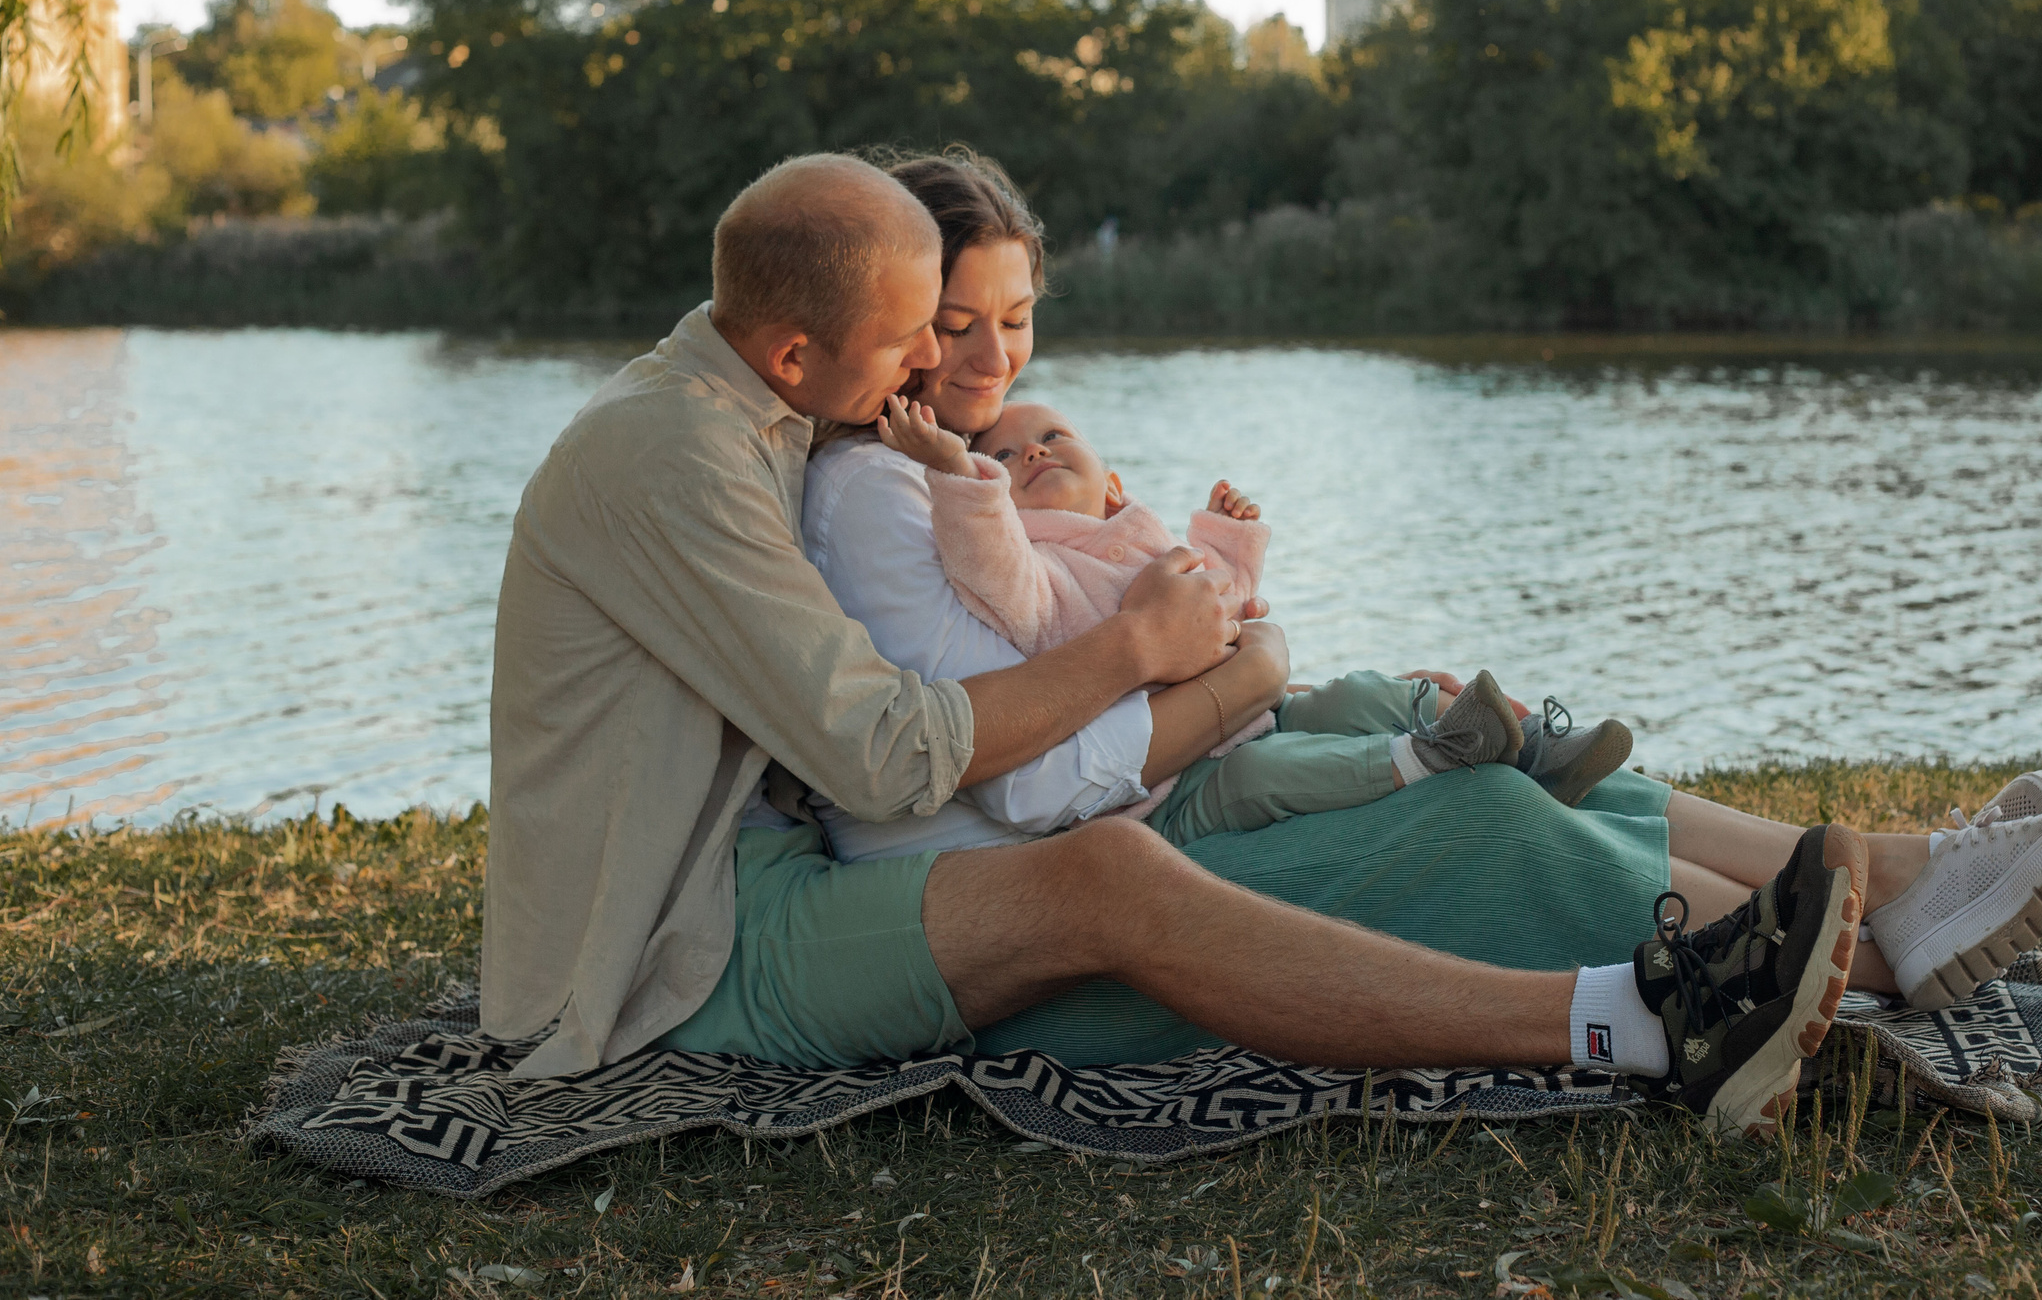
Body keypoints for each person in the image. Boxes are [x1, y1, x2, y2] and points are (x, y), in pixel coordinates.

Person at [480, 150, 1882, 1134]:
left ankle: (1834, 924)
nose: (938, 366)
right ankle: (1630, 1018)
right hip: (691, 948)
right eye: (918, 333)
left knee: (1372, 759)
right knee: (1110, 871)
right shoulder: (681, 455)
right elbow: (891, 751)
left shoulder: (760, 420)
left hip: (784, 869)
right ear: (795, 351)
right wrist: (1144, 647)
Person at [778, 150, 2042, 1058]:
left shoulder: (968, 464)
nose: (987, 352)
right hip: (1029, 905)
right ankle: (1830, 969)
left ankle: (1873, 878)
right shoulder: (881, 498)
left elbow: (1070, 659)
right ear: (893, 308)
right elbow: (1019, 785)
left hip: (1127, 811)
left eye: (1012, 317)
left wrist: (1223, 662)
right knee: (1474, 813)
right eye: (954, 319)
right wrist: (1231, 682)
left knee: (1478, 741)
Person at [868, 389, 1628, 837]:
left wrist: (1222, 537)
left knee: (1354, 693)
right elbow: (983, 552)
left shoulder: (1136, 535)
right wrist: (955, 474)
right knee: (1273, 773)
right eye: (1002, 456)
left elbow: (1223, 610)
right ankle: (1425, 757)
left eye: (1052, 436)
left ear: (1113, 483)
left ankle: (1522, 741)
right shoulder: (1032, 567)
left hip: (1242, 711)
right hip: (1171, 780)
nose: (1030, 453)